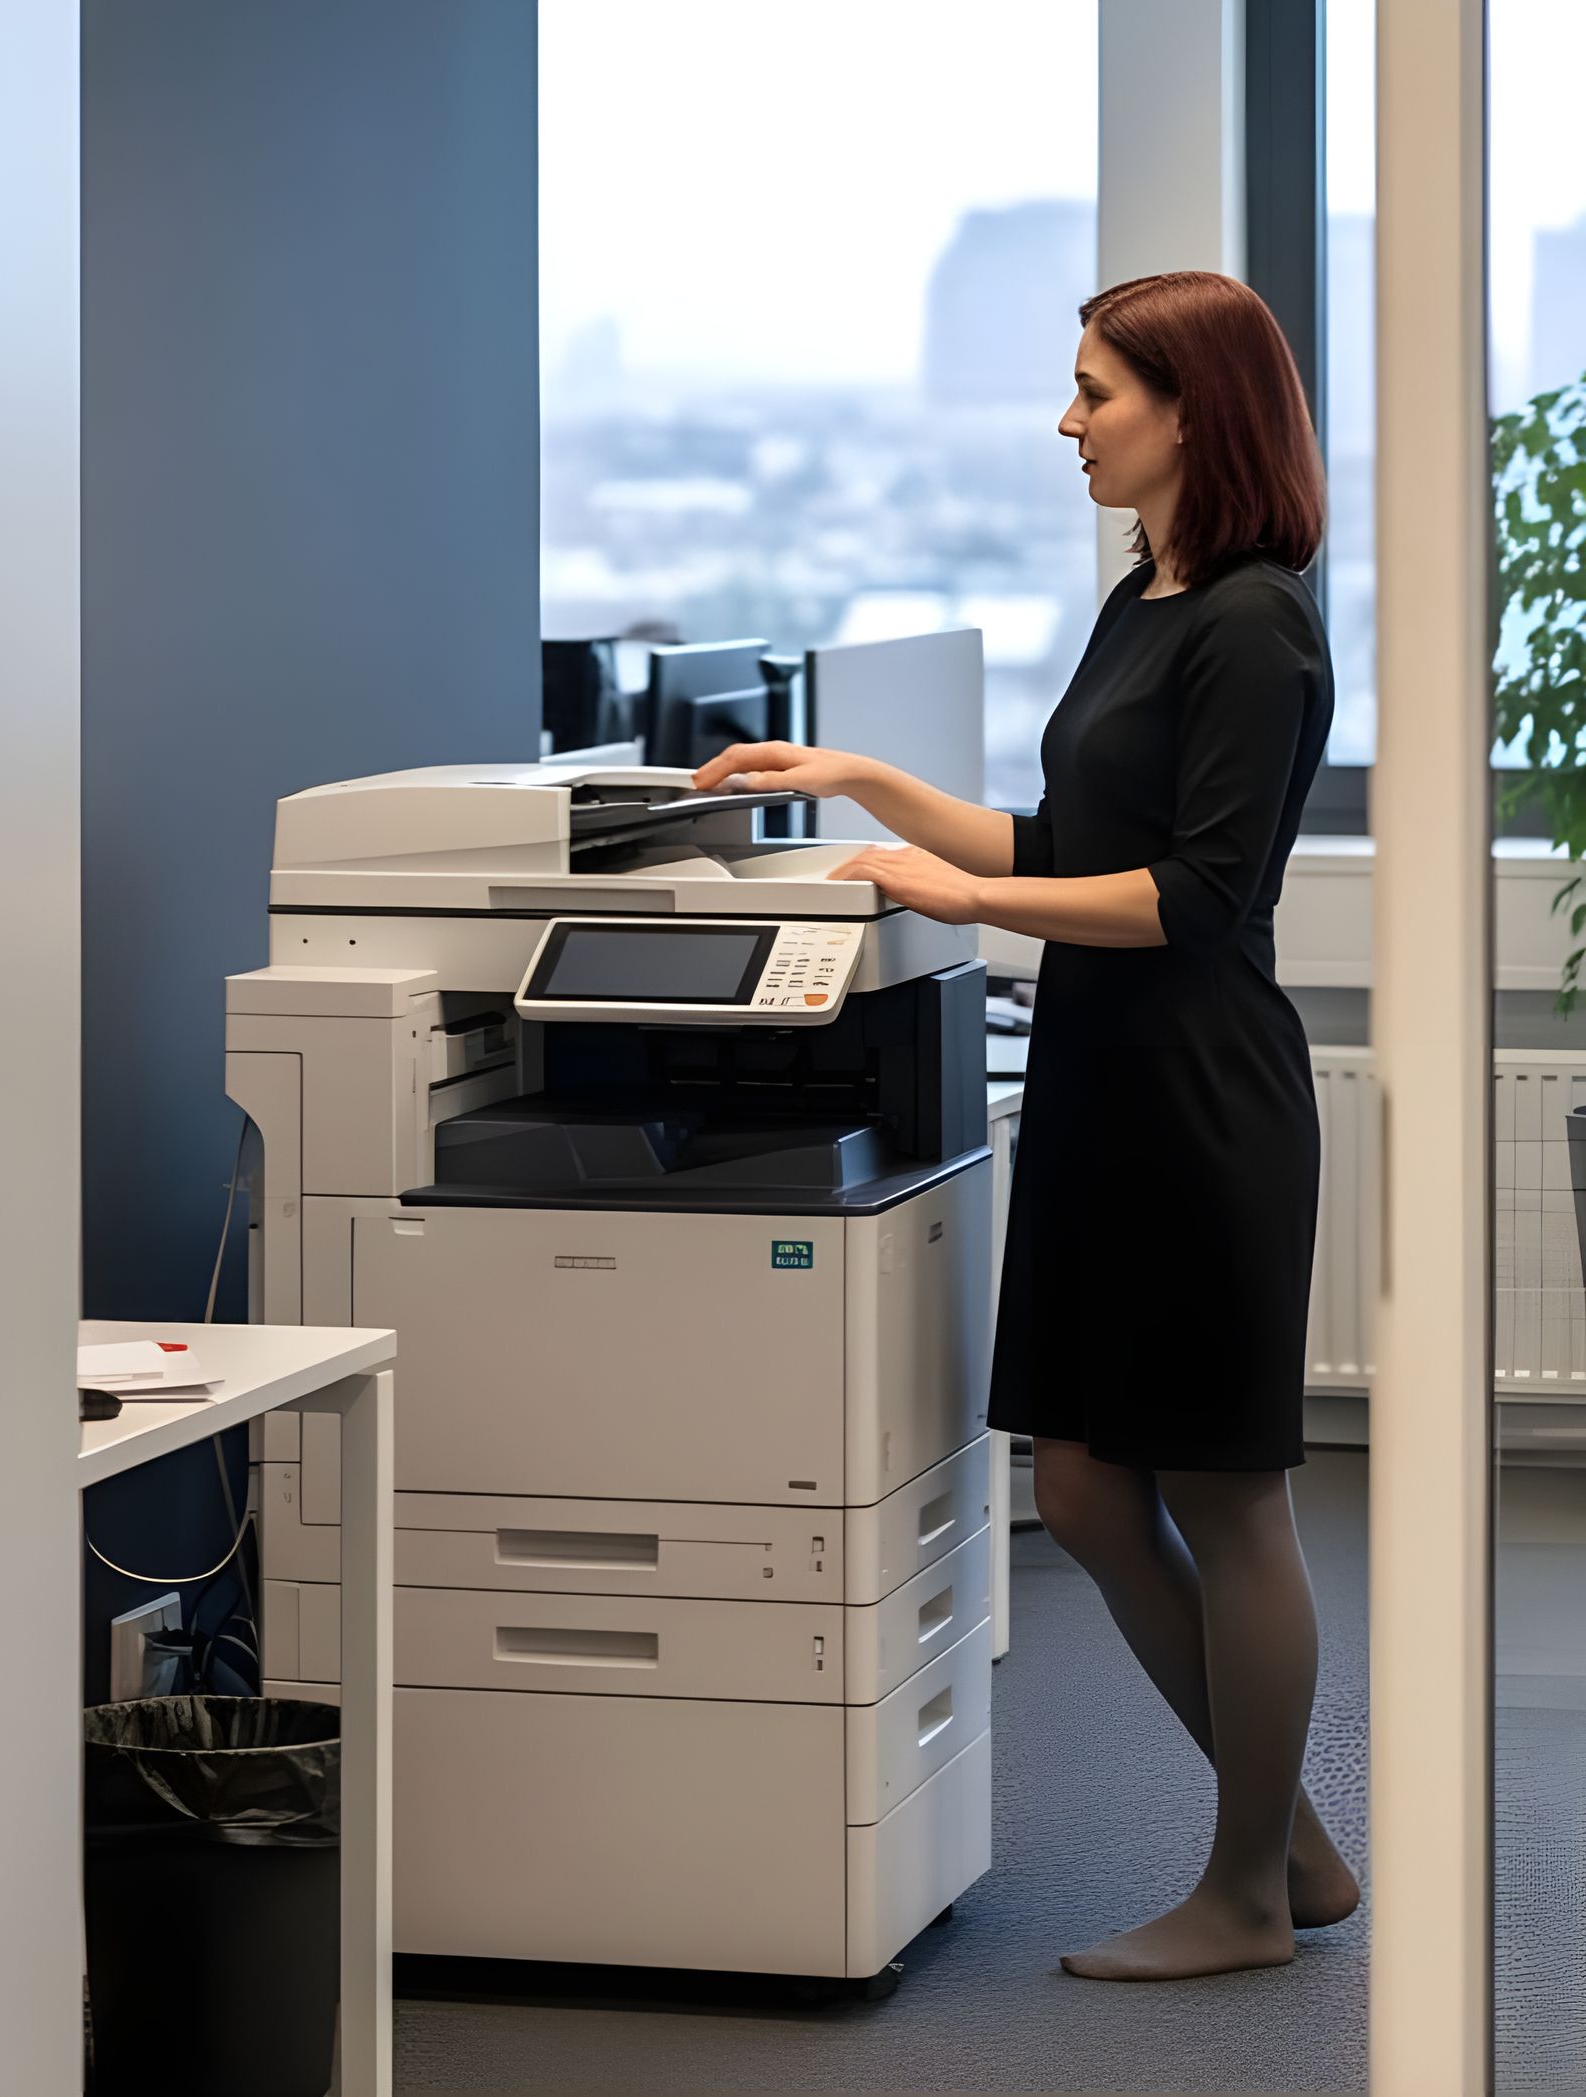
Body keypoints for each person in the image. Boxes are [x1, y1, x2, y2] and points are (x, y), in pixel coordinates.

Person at [692, 269, 1360, 1984]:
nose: (1066, 423)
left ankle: (1248, 1890)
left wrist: (957, 900)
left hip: (1202, 1102)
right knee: (1076, 1481)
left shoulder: (1259, 622)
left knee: (1230, 1497)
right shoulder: (1150, 594)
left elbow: (1200, 898)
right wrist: (855, 782)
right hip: (1098, 1095)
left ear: (1191, 411)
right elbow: (1051, 830)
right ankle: (1287, 1840)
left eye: (1093, 393)